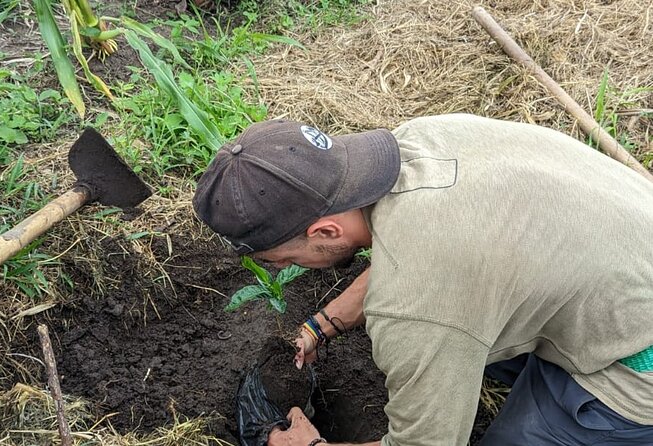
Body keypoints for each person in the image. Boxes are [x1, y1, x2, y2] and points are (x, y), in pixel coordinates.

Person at [192, 114, 653, 446]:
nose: (279, 268)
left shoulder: (419, 307)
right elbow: (422, 260)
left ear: (325, 232)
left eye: (278, 259)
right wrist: (320, 326)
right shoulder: (419, 140)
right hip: (621, 265)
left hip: (635, 365)